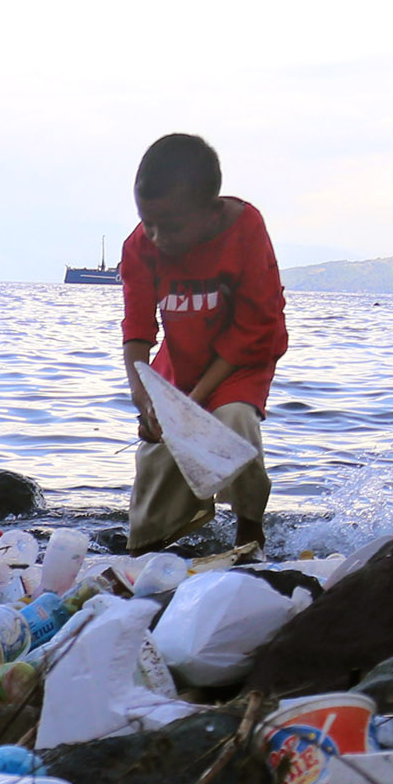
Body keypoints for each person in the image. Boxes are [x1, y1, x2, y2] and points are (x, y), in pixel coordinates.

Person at [120, 132, 286, 554]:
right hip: (181, 358)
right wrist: (143, 395)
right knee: (161, 450)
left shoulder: (246, 229)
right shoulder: (140, 247)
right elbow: (138, 331)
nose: (156, 237)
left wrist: (196, 401)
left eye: (170, 227)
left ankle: (250, 529)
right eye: (148, 223)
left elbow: (254, 327)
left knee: (232, 423)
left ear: (211, 213)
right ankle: (150, 544)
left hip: (242, 359)